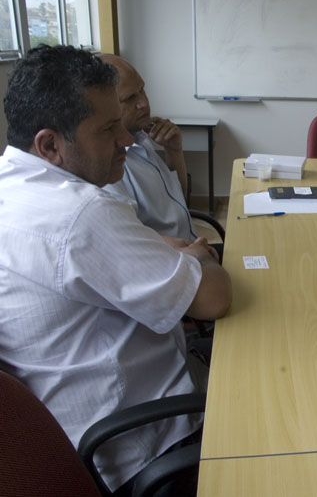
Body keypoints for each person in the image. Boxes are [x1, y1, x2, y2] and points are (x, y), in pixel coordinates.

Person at [0, 45, 232, 493]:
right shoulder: (81, 213)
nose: (127, 139)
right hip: (144, 446)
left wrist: (166, 252)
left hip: (71, 426)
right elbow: (214, 299)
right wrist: (201, 256)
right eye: (109, 129)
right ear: (50, 144)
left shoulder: (15, 188)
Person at [99, 54, 197, 241]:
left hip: (188, 244)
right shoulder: (109, 166)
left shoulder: (141, 136)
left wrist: (174, 151)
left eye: (142, 90)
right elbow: (135, 244)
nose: (143, 103)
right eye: (129, 98)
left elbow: (178, 200)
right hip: (173, 259)